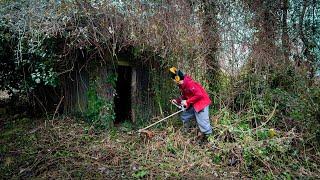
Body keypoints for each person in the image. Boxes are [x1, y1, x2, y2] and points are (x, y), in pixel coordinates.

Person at [169, 67, 213, 141]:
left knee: (203, 124)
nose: (178, 83)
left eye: (178, 81)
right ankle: (188, 133)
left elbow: (199, 95)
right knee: (185, 116)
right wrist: (177, 101)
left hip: (201, 104)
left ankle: (210, 140)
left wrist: (187, 101)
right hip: (194, 104)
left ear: (179, 78)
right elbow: (185, 95)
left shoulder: (190, 83)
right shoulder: (182, 85)